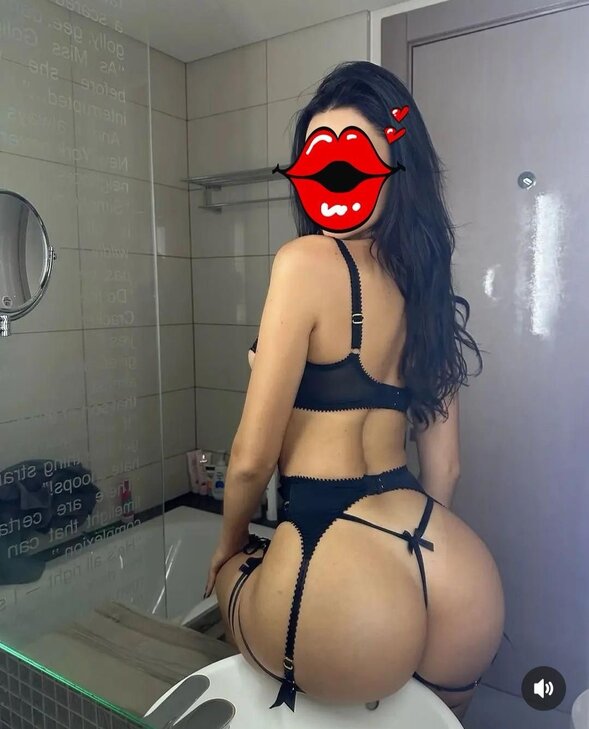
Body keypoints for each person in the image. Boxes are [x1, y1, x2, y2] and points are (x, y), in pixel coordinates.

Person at [204, 60, 505, 722]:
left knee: (232, 578)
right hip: (455, 572)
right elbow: (447, 468)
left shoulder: (304, 262)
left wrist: (229, 548)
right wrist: (406, 568)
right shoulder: (424, 283)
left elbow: (251, 459)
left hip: (333, 569)